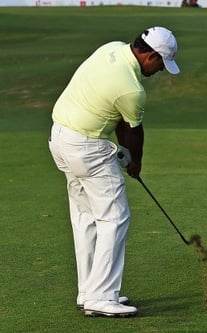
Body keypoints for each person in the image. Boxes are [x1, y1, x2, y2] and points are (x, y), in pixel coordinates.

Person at [48, 27, 180, 318]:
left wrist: (127, 155)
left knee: (86, 217)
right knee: (115, 218)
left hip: (60, 138)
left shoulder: (111, 48)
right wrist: (135, 162)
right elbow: (133, 132)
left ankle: (88, 291)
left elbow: (117, 116)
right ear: (150, 55)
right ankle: (102, 296)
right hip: (86, 148)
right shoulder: (133, 90)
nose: (159, 70)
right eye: (160, 63)